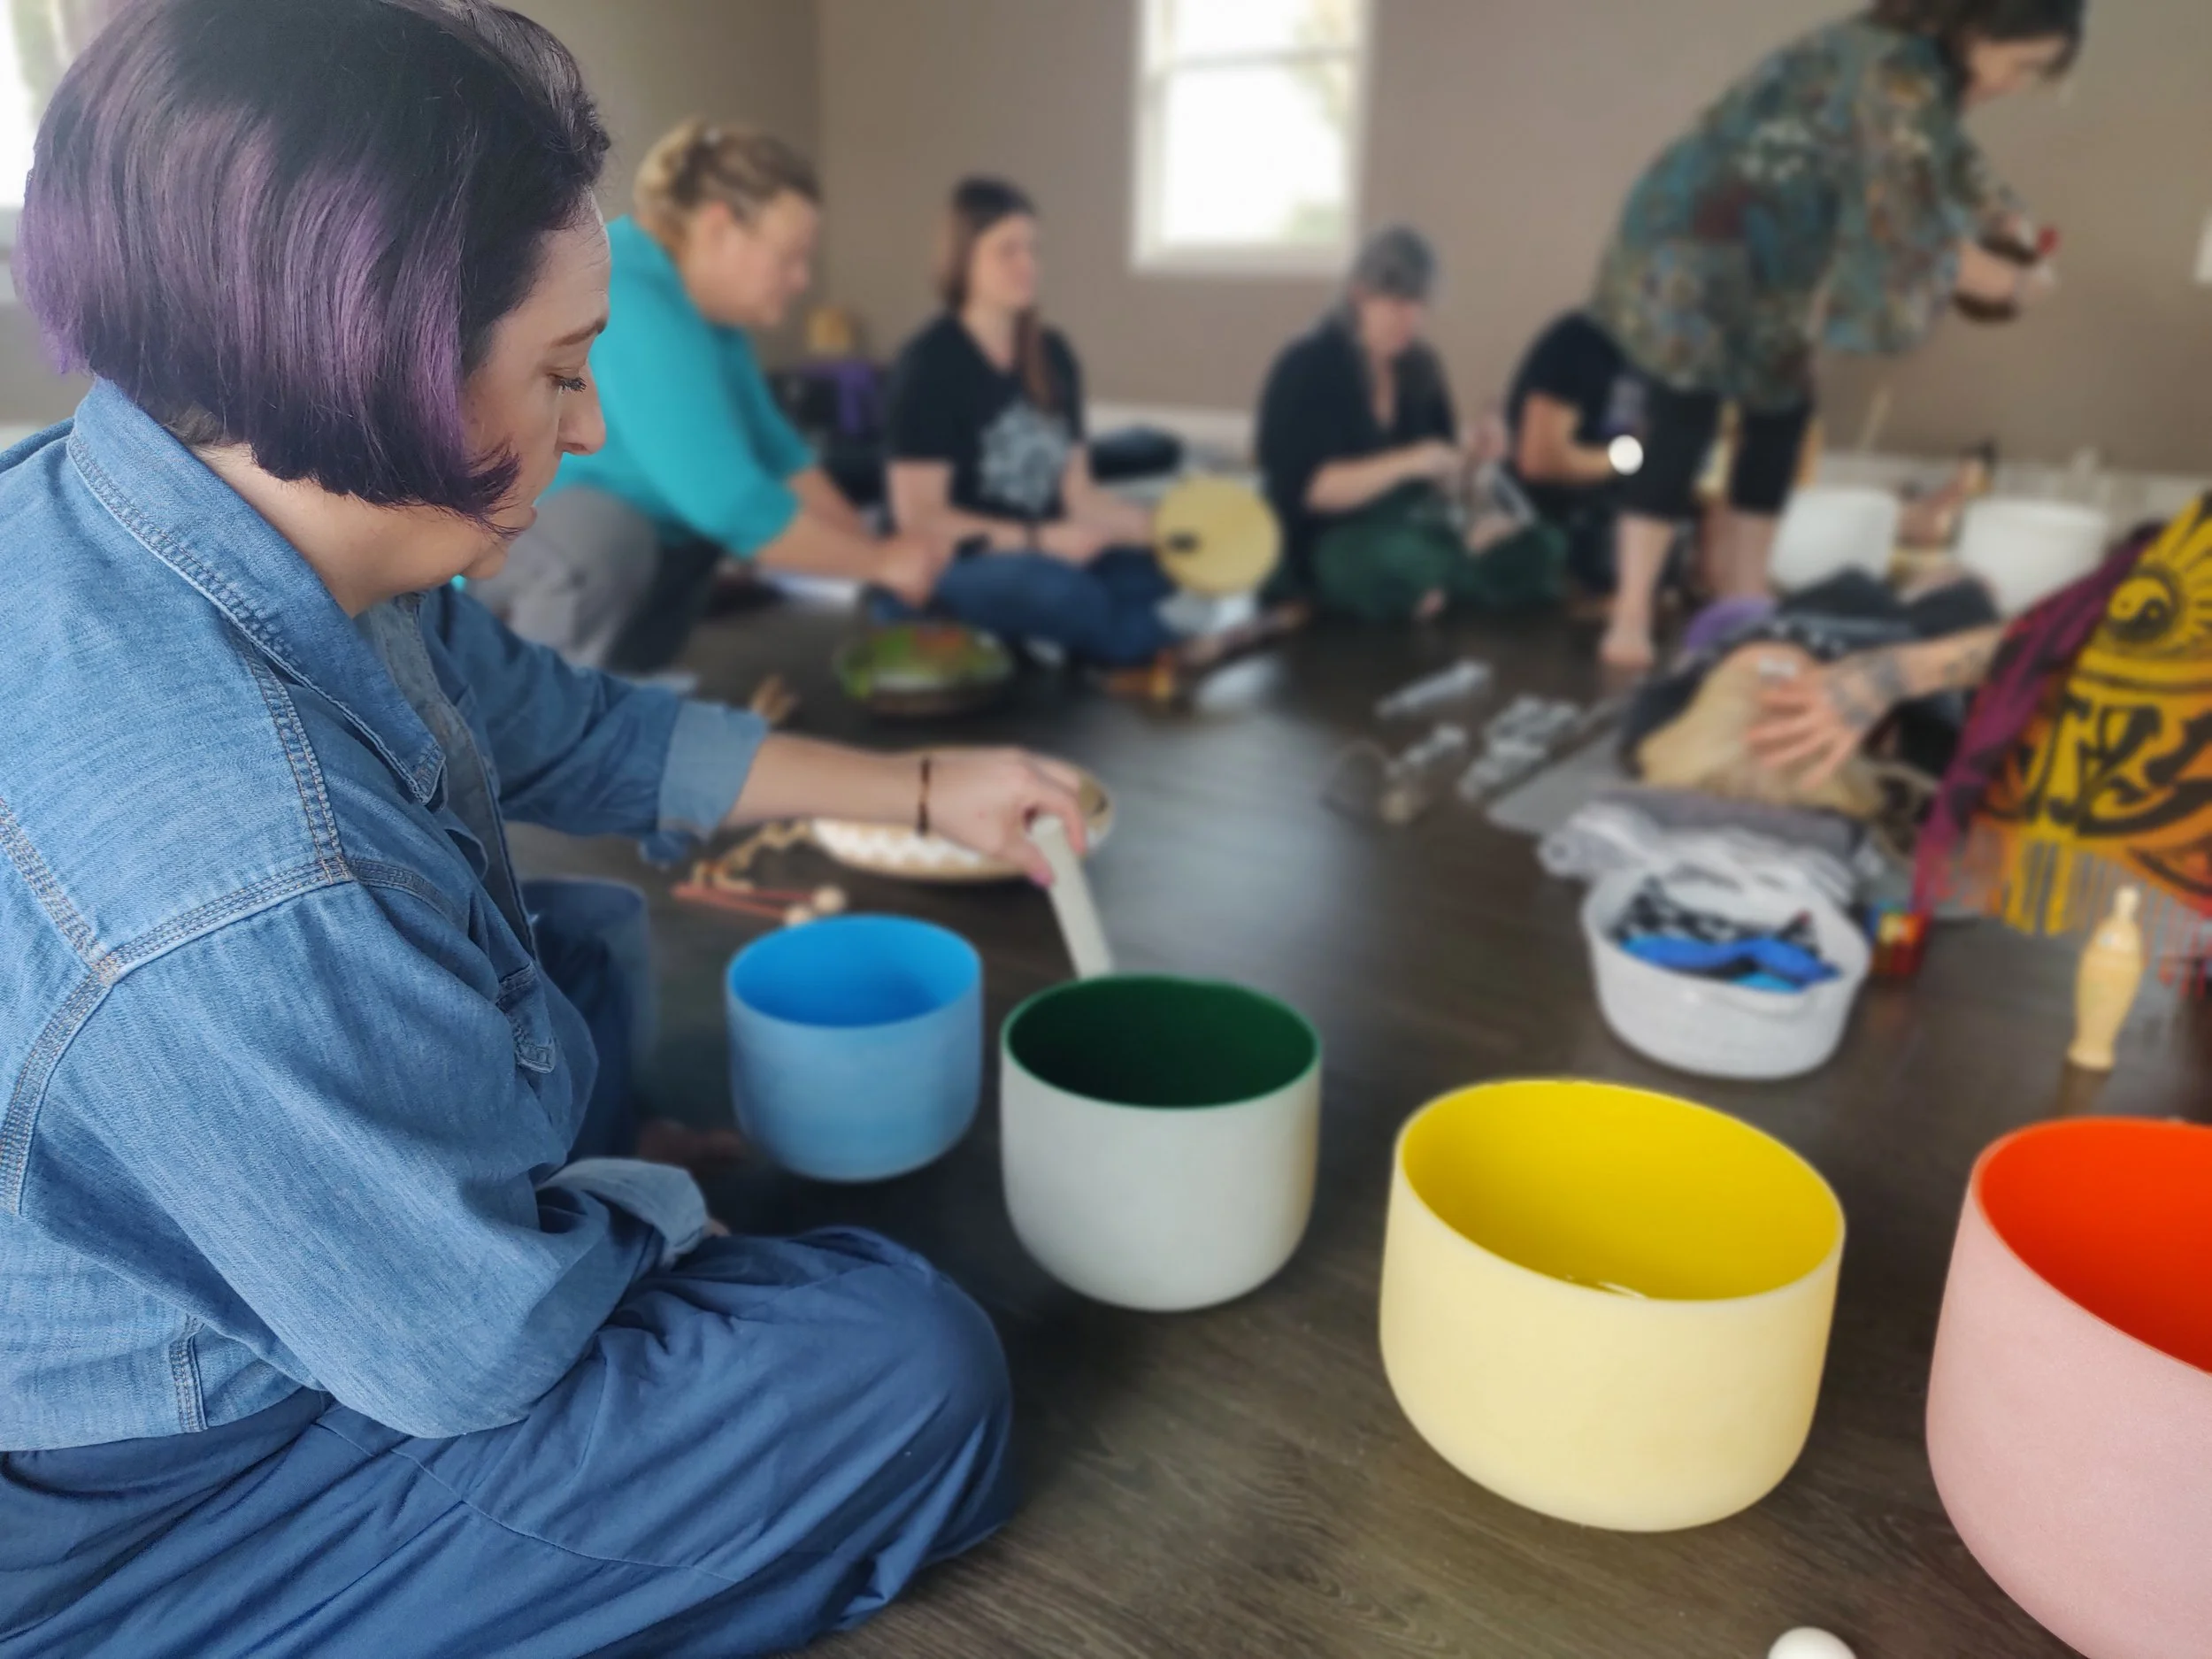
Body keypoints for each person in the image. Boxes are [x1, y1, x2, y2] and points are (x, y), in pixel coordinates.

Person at [0, 4, 1091, 1653]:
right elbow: (472, 1350)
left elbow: (567, 727)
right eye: (564, 373)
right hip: (143, 1488)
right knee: (907, 1361)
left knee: (576, 946)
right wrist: (640, 1218)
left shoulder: (194, 503)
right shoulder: (245, 878)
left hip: (254, 1223)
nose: (588, 429)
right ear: (371, 367)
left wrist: (933, 789)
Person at [1587, 0, 2083, 669]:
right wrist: (2013, 286)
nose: (2016, 84)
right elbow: (1911, 231)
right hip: (1699, 244)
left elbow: (1950, 161)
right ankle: (1631, 614)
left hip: (1783, 264)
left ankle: (1745, 599)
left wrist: (2008, 220)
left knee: (1780, 414)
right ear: (1983, 25)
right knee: (1682, 418)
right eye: (2022, 65)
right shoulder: (1892, 67)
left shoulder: (1928, 73)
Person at [472, 118, 948, 671]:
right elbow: (730, 502)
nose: (801, 280)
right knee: (619, 535)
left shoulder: (711, 319)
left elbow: (782, 457)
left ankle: (620, 692)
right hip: (530, 537)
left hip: (620, 539)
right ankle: (532, 714)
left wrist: (881, 557)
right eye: (789, 257)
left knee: (682, 538)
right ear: (719, 228)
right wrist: (883, 565)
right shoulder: (628, 290)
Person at [881, 177, 1174, 668]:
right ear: (964, 260)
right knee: (1059, 591)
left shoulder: (1054, 355)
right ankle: (1138, 640)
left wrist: (1162, 528)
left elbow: (1080, 495)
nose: (1028, 265)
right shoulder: (928, 364)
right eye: (1008, 251)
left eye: (1033, 249)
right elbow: (921, 520)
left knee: (1155, 568)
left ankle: (1110, 634)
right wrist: (1042, 541)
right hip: (957, 562)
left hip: (1047, 550)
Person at [1256, 227, 1560, 623]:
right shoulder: (1308, 364)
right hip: (1331, 536)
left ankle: (1431, 582)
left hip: (1411, 526)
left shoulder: (1420, 366)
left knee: (1544, 546)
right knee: (1374, 561)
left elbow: (1444, 480)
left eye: (1419, 304)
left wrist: (1478, 457)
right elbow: (1311, 491)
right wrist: (1410, 461)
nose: (1411, 319)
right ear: (1359, 295)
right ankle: (1444, 577)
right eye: (1398, 303)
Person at [1502, 309, 1643, 595]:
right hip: (1549, 526)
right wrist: (1632, 458)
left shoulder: (1675, 363)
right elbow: (1539, 458)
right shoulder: (1580, 340)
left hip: (1624, 527)